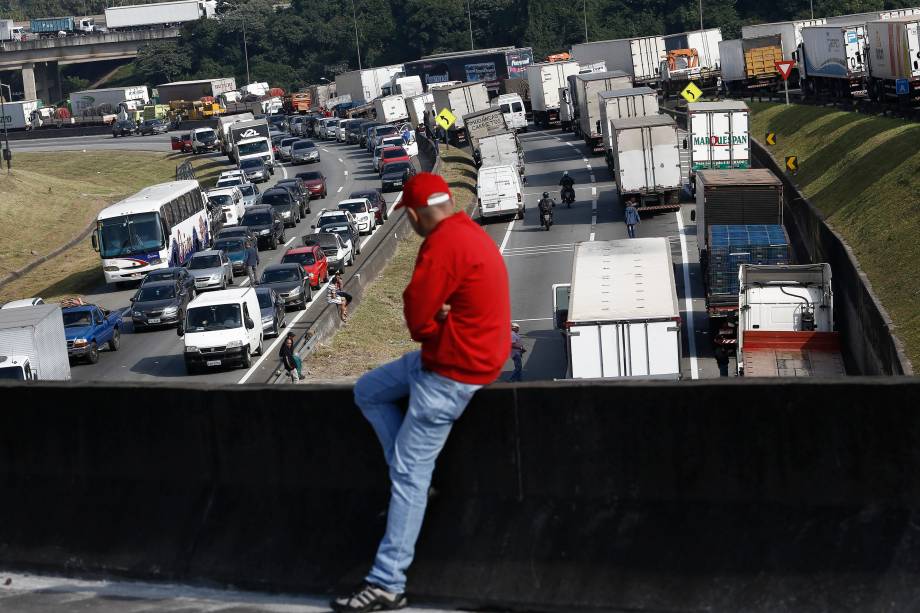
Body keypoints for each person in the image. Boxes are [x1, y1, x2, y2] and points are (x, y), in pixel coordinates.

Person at [333, 173, 510, 612]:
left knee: (409, 480)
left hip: (451, 371)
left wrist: (436, 317)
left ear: (413, 214)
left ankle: (387, 582)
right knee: (369, 390)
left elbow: (416, 319)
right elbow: (435, 311)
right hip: (462, 353)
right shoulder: (467, 231)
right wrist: (442, 315)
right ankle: (412, 478)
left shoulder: (441, 245)